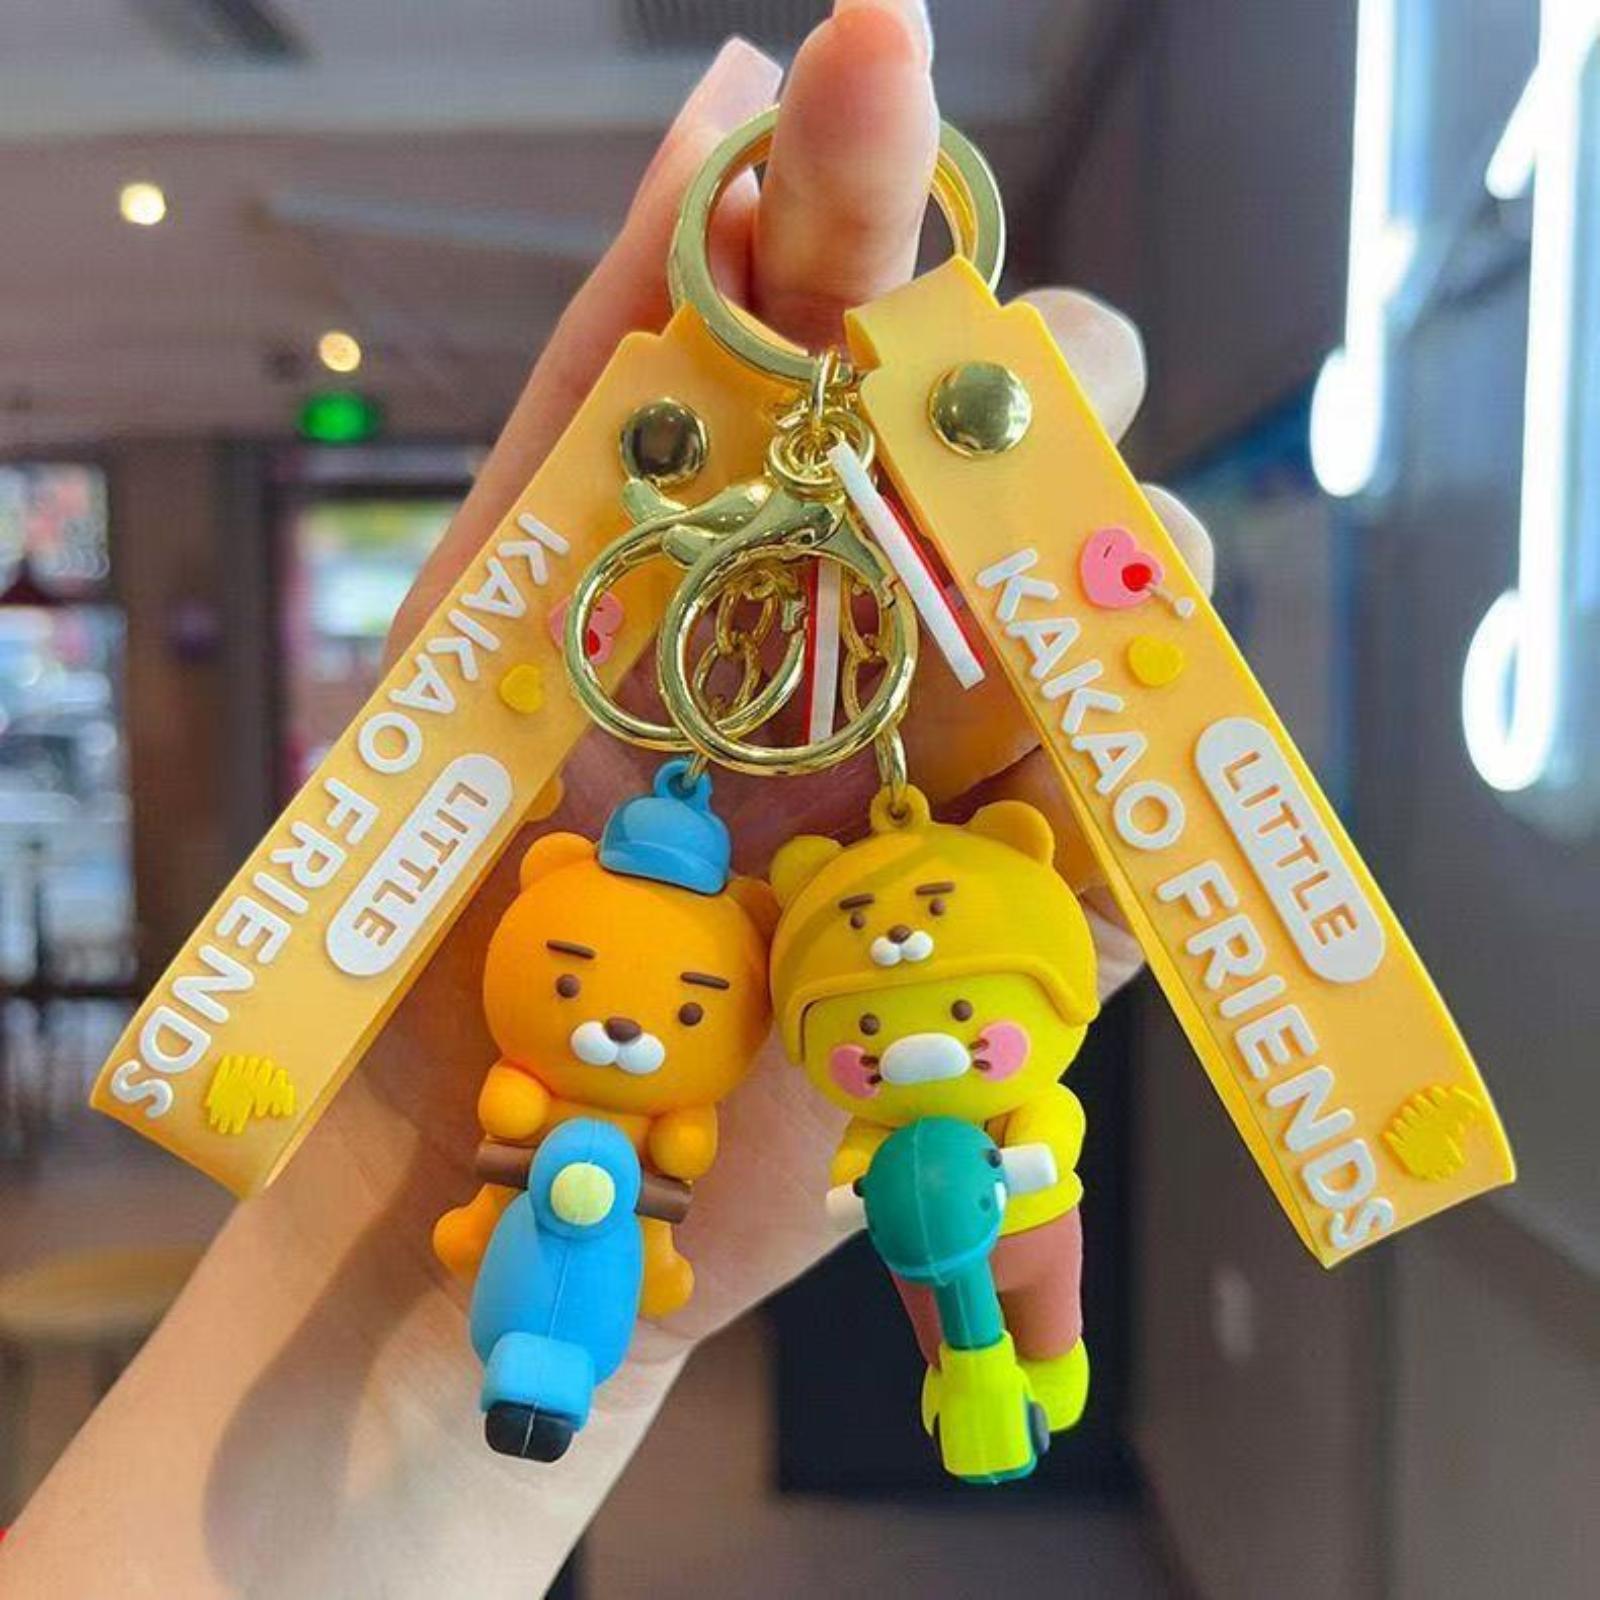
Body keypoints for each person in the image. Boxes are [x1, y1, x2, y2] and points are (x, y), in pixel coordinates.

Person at [1, 3, 1211, 1593]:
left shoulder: (874, 1022)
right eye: (592, 981)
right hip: (556, 1212)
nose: (635, 1022)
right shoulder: (599, 1016)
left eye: (696, 1003)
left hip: (817, 1180)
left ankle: (1021, 1357)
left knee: (1024, 1270)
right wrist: (401, 1200)